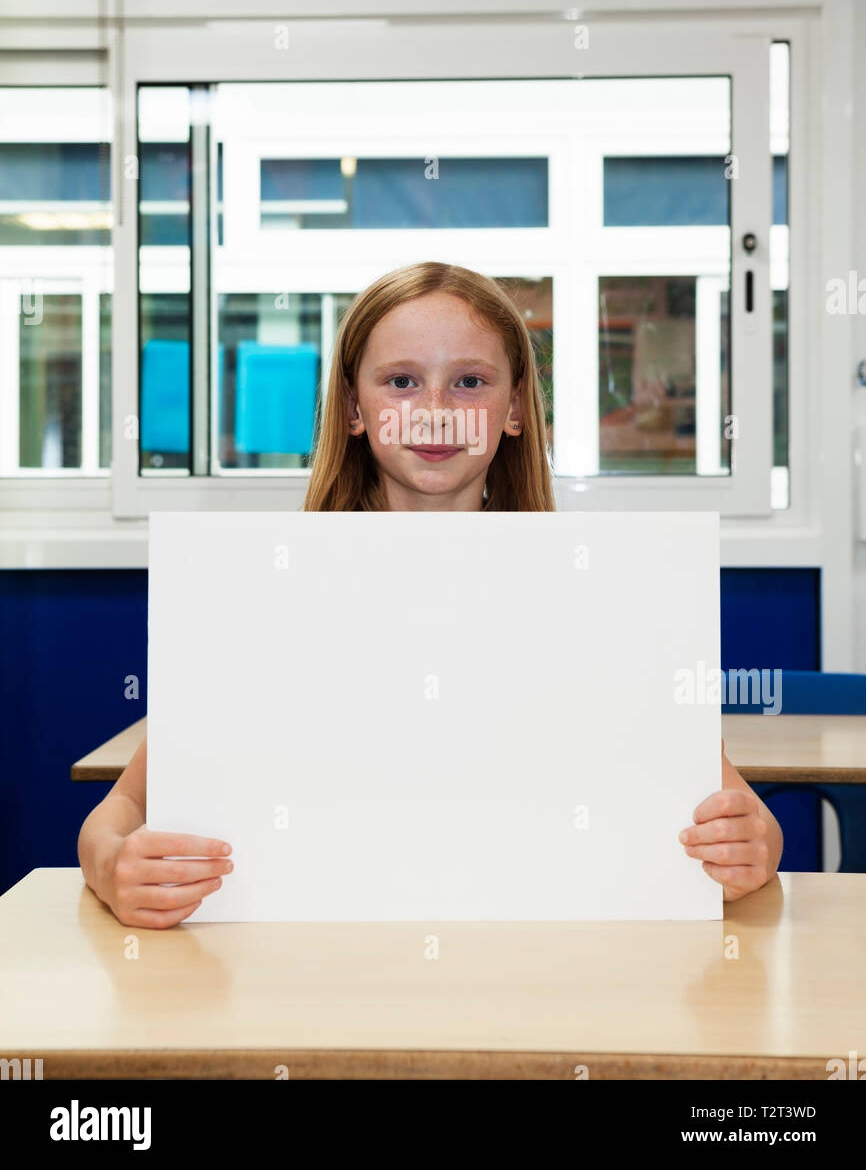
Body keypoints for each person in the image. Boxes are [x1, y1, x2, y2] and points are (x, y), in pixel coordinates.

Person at [78, 261, 783, 926]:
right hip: (311, 975)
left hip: (537, 974)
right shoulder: (267, 597)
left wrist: (755, 847)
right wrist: (114, 868)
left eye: (471, 382)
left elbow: (746, 818)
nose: (437, 411)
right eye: (403, 382)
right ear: (354, 409)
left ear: (515, 409)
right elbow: (116, 814)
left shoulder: (597, 597)